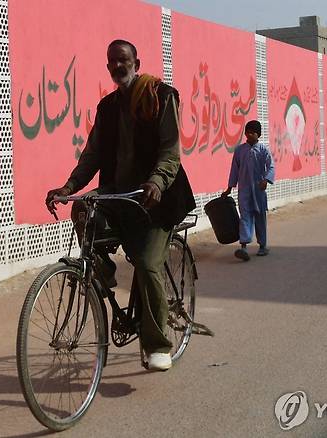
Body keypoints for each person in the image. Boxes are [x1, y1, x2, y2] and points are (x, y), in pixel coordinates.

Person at [45, 39, 195, 371]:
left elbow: (170, 152)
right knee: (83, 208)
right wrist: (69, 186)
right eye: (112, 61)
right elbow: (94, 154)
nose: (117, 66)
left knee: (146, 262)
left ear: (136, 62)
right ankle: (103, 270)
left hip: (158, 199)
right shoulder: (108, 106)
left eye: (123, 60)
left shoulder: (161, 96)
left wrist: (156, 181)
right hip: (119, 195)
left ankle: (157, 345)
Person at [222, 120, 275, 261]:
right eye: (247, 132)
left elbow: (271, 167)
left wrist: (266, 180)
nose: (249, 134)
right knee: (245, 216)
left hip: (258, 190)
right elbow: (234, 169)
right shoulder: (240, 150)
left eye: (252, 132)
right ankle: (244, 246)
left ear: (258, 134)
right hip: (244, 189)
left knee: (260, 217)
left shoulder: (263, 150)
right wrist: (229, 187)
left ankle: (262, 245)